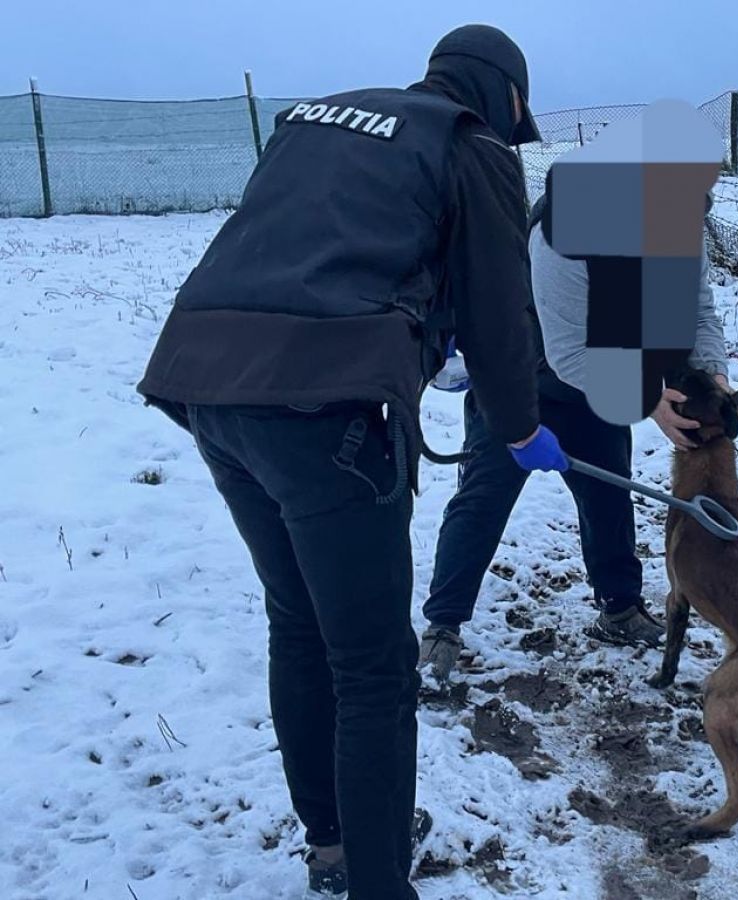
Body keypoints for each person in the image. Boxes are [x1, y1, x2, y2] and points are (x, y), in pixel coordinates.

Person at [135, 25, 566, 900]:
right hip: (325, 413)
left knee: (298, 622)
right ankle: (377, 882)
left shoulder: (317, 119)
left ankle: (334, 841)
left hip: (209, 384)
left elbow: (303, 248)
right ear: (506, 96)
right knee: (373, 666)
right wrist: (521, 429)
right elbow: (498, 312)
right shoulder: (471, 144)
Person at [418, 188, 738, 687]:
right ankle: (442, 625)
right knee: (483, 499)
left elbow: (697, 313)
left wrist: (715, 376)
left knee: (608, 492)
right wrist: (649, 398)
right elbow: (567, 352)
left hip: (605, 376)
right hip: (517, 374)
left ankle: (619, 608)